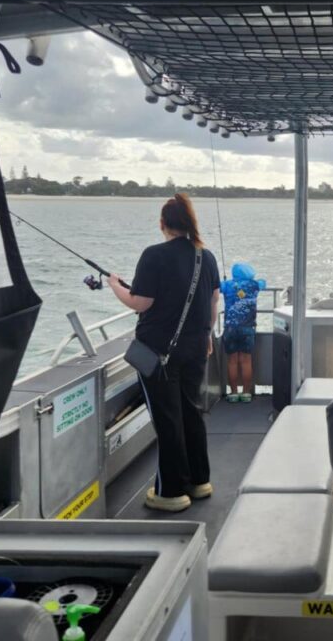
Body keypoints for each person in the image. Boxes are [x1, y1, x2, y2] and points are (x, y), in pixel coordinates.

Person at [109, 193, 220, 512]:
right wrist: (207, 334)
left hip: (159, 353)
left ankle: (170, 492)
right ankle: (199, 481)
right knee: (191, 411)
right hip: (196, 348)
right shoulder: (205, 257)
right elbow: (213, 300)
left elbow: (140, 302)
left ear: (163, 224)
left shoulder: (154, 255)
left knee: (168, 419)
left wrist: (115, 286)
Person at [220, 262, 265, 403]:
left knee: (232, 361)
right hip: (247, 328)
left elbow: (217, 286)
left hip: (230, 328)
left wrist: (226, 282)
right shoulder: (254, 285)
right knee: (246, 361)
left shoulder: (227, 285)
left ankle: (233, 393)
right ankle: (246, 393)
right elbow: (263, 282)